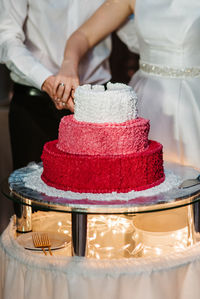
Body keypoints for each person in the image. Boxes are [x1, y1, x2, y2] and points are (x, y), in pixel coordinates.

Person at [52, 0, 200, 170]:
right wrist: (69, 65)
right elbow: (83, 36)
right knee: (138, 177)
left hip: (194, 100)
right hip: (147, 98)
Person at [0, 0, 112, 171]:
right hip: (36, 104)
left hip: (97, 103)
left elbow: (129, 22)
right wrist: (45, 80)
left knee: (98, 190)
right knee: (34, 191)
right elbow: (6, 38)